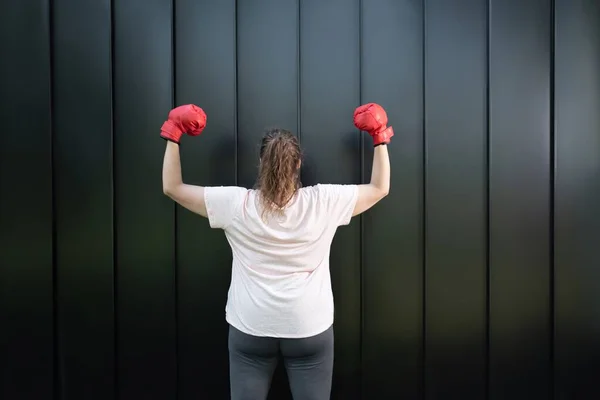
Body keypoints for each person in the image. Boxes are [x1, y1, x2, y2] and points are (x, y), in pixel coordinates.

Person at [161, 103, 393, 400]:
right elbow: (379, 188)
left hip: (251, 328)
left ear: (261, 163)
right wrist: (379, 136)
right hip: (309, 328)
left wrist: (174, 132)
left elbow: (172, 187)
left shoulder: (235, 204)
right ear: (298, 164)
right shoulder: (323, 201)